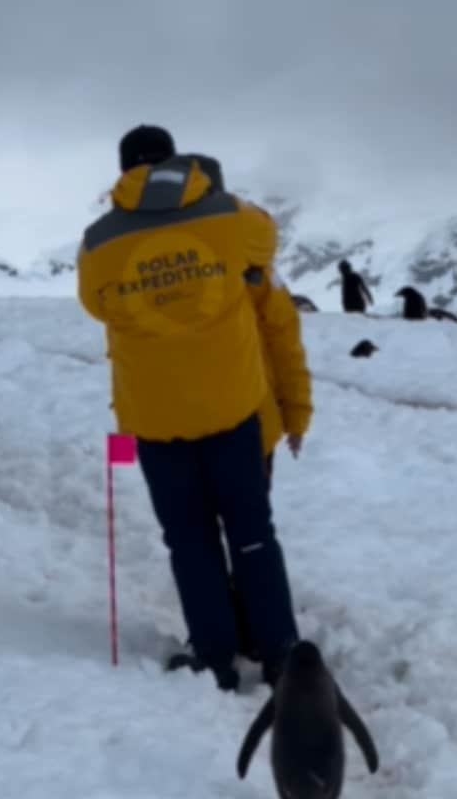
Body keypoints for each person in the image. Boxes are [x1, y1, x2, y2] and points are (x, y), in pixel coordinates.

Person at [77, 125, 302, 691]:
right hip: (233, 409)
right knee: (252, 531)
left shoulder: (98, 243)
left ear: (123, 170)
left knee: (189, 539)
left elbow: (94, 306)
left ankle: (215, 656)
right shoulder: (230, 215)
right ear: (177, 162)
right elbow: (266, 243)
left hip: (154, 420)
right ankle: (280, 653)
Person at [165, 152, 314, 666]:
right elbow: (285, 345)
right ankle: (262, 635)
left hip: (174, 428)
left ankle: (220, 638)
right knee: (249, 531)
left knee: (197, 535)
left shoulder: (163, 273)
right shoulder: (255, 274)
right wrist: (294, 415)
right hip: (252, 425)